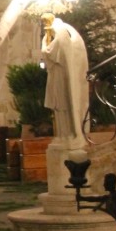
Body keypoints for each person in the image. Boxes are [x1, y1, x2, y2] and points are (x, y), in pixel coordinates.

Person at [40, 13, 89, 146]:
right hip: (56, 76)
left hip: (61, 78)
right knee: (58, 108)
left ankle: (67, 135)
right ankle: (62, 135)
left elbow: (48, 53)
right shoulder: (60, 38)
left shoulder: (61, 38)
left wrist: (45, 41)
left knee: (62, 106)